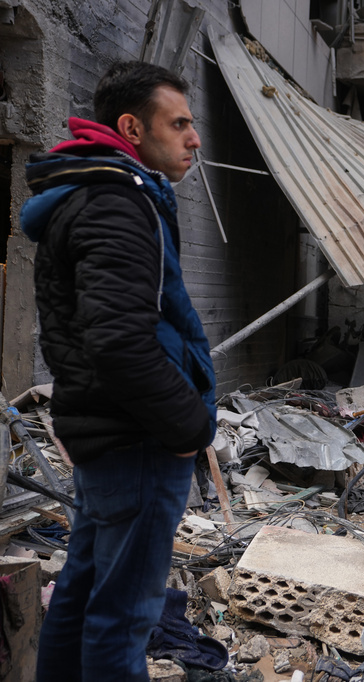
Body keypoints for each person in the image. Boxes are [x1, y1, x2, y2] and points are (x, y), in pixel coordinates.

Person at [19, 61, 216, 680]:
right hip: (138, 441)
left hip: (112, 436)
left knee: (80, 598)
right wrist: (190, 428)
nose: (194, 139)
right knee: (123, 618)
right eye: (179, 123)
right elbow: (120, 347)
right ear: (132, 128)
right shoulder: (116, 205)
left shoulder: (99, 196)